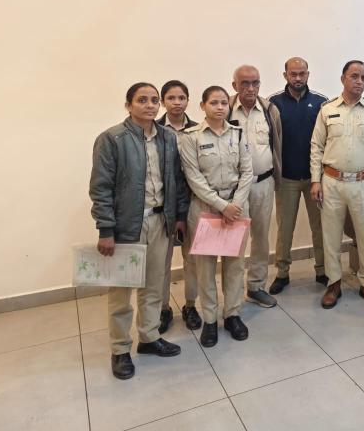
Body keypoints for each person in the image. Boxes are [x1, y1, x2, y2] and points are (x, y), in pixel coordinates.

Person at [89, 83, 188, 380]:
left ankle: (149, 337)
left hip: (160, 222)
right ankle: (120, 349)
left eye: (154, 100)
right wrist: (106, 229)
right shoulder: (112, 139)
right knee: (121, 291)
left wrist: (179, 216)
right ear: (128, 105)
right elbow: (101, 188)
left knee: (154, 285)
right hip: (126, 226)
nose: (149, 105)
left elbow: (177, 181)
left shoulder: (168, 137)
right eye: (142, 100)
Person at [310, 60, 364, 309]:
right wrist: (315, 180)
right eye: (354, 76)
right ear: (343, 79)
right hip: (331, 182)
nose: (359, 81)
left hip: (362, 182)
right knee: (331, 236)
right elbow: (316, 147)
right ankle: (333, 283)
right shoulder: (327, 109)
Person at [179, 86, 254, 347]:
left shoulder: (238, 133)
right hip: (205, 209)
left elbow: (247, 171)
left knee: (235, 266)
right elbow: (193, 177)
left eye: (224, 102)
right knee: (205, 268)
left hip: (236, 207)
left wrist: (236, 204)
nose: (220, 107)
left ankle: (232, 314)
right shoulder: (191, 137)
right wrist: (222, 205)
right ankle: (210, 320)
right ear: (203, 106)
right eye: (214, 102)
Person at [268, 57, 328, 294]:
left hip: (316, 179)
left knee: (320, 227)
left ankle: (322, 270)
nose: (298, 78)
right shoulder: (273, 103)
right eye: (293, 74)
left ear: (308, 74)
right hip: (287, 178)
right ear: (285, 75)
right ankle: (282, 273)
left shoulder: (322, 103)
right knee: (285, 229)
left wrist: (319, 176)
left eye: (302, 73)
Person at [228, 65, 283, 309]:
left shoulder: (270, 110)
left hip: (263, 183)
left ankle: (256, 286)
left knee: (260, 237)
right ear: (235, 85)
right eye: (245, 83)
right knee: (235, 240)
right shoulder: (225, 109)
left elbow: (277, 144)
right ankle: (233, 292)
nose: (251, 88)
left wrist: (277, 179)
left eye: (255, 83)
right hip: (234, 189)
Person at [157, 80, 201, 333]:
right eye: (171, 98)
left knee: (192, 259)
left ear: (188, 100)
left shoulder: (198, 130)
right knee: (161, 262)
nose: (177, 102)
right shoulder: (154, 130)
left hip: (192, 203)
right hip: (163, 206)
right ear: (163, 101)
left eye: (181, 97)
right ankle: (163, 308)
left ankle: (190, 305)